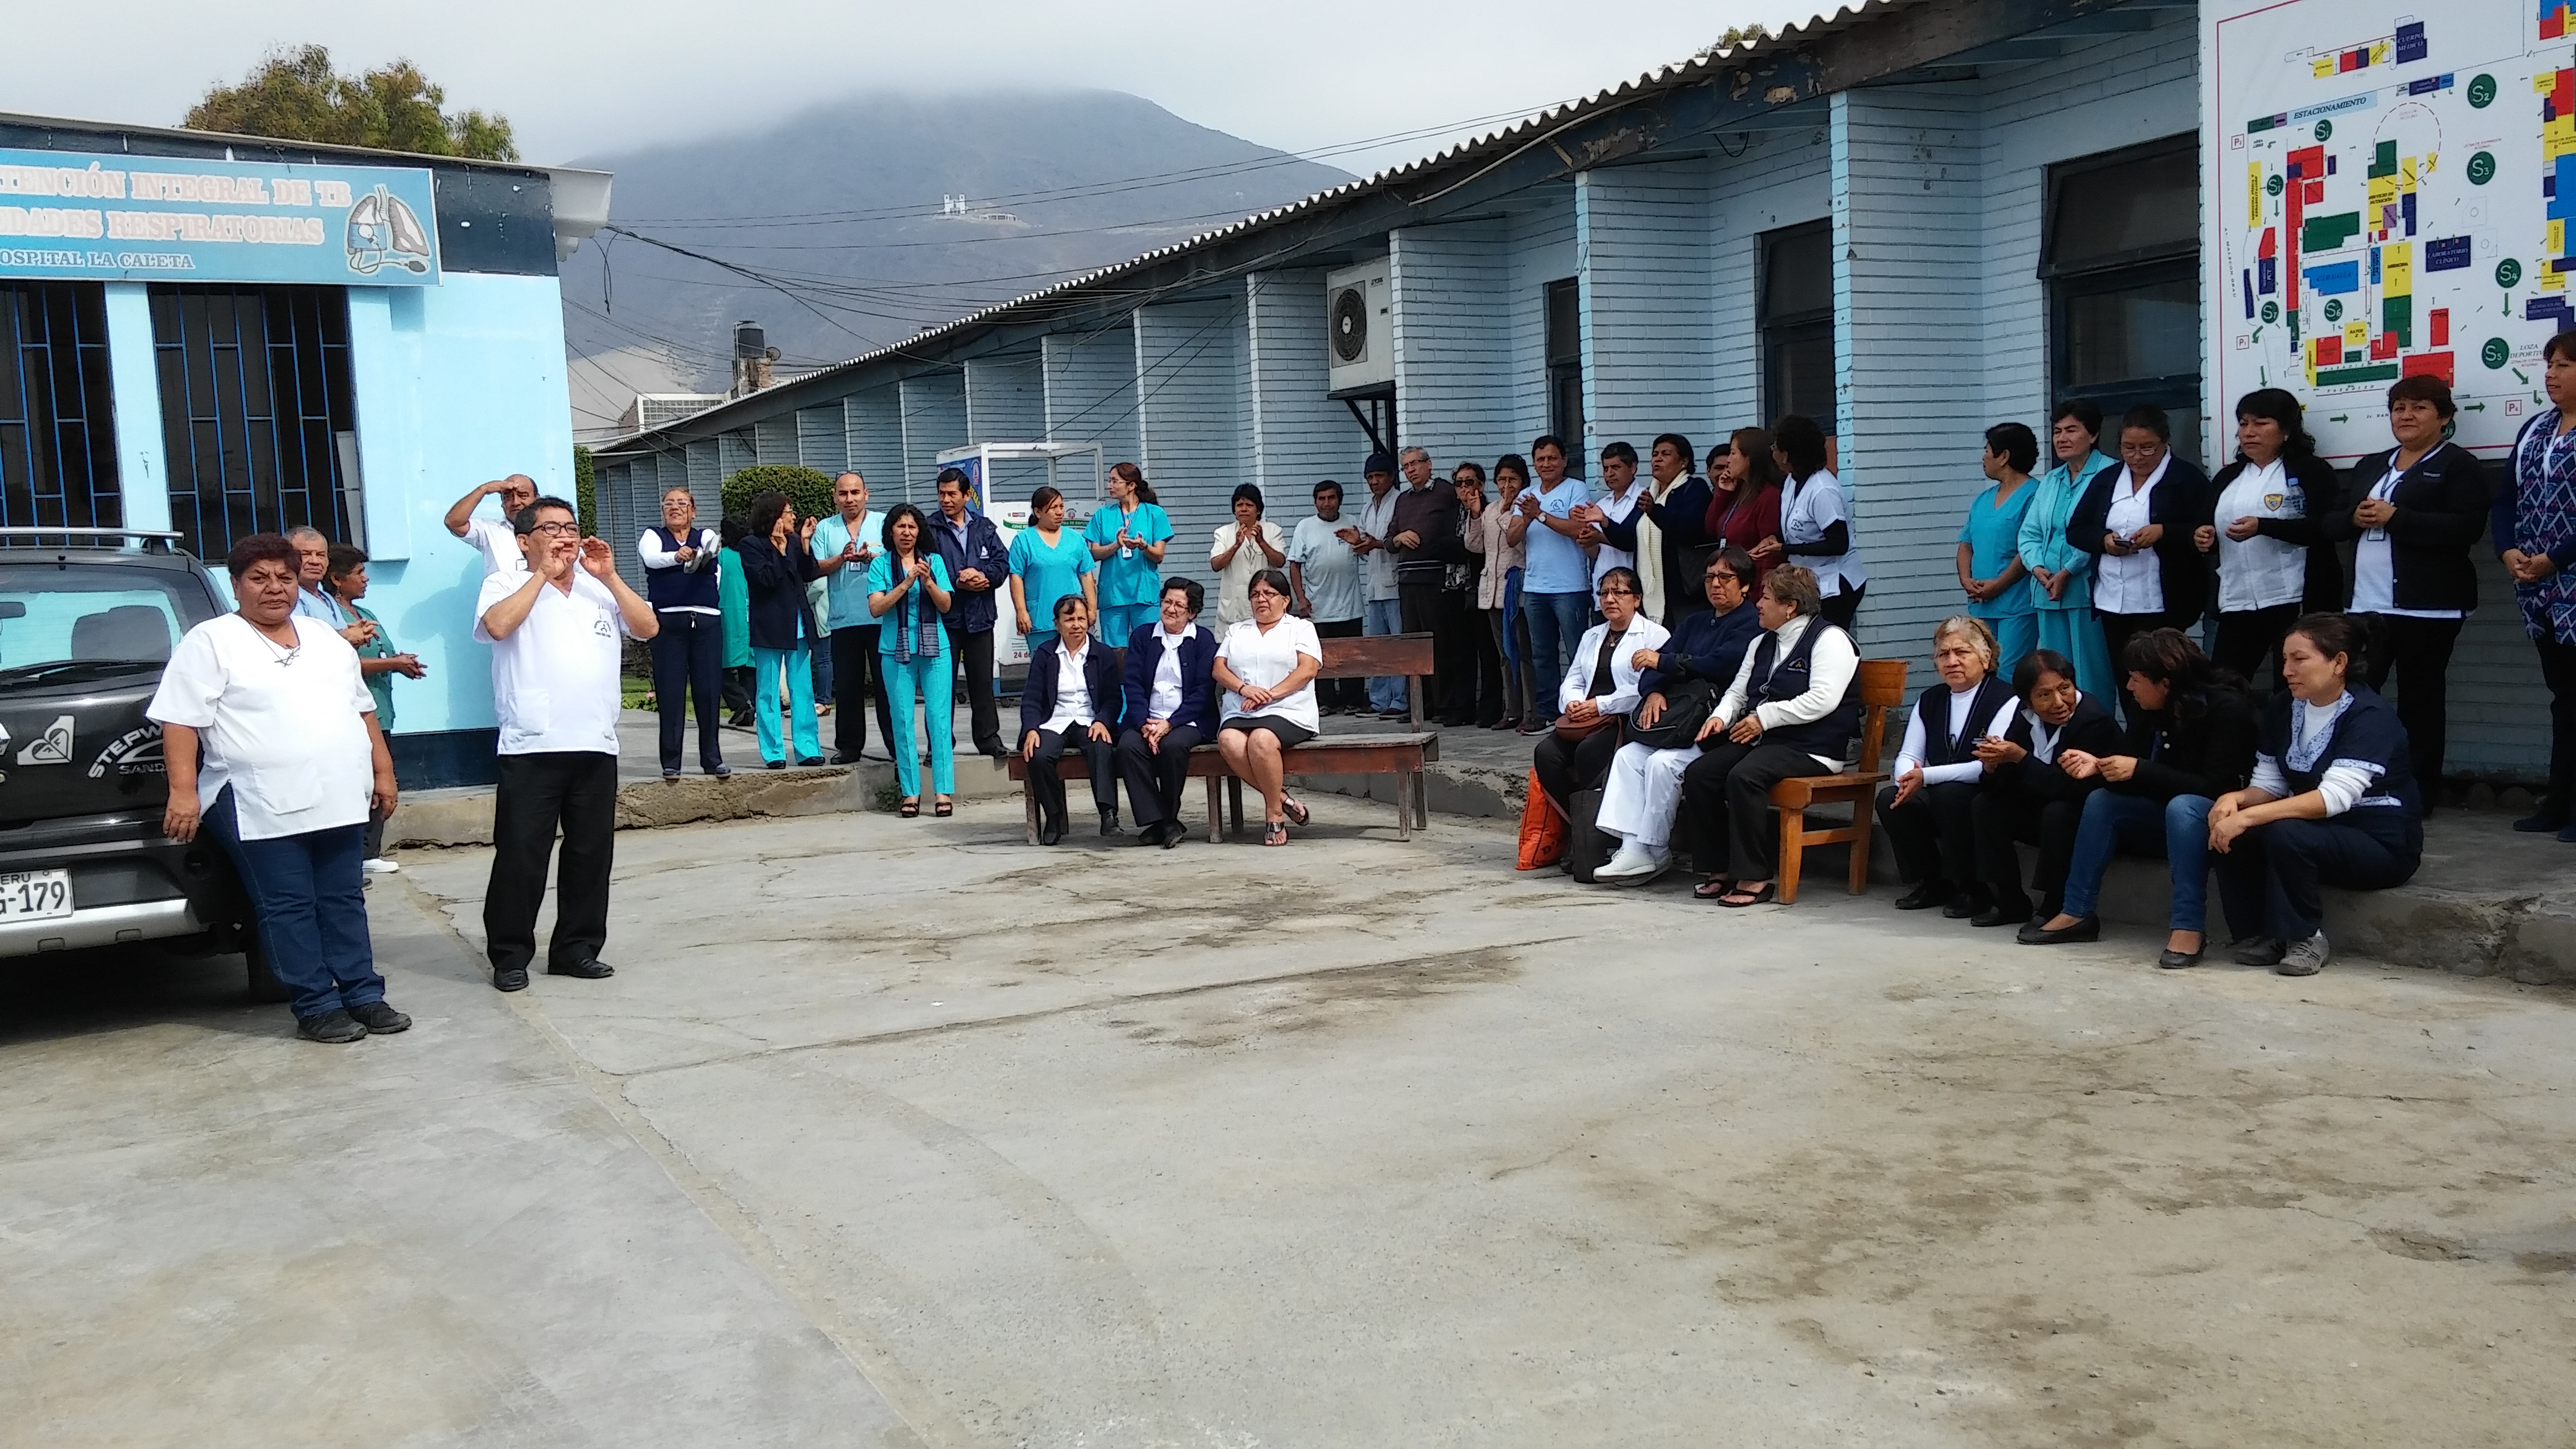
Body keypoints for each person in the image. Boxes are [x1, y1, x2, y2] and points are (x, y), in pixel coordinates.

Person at [151, 533, 406, 1043]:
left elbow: (363, 709)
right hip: (256, 799)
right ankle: (315, 1004)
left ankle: (363, 994)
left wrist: (383, 772)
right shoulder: (211, 641)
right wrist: (184, 792)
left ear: (299, 582)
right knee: (287, 904)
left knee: (343, 897)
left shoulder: (324, 638)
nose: (274, 589)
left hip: (336, 794)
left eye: (285, 578)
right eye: (259, 579)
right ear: (237, 584)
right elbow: (179, 721)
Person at [474, 497, 659, 992]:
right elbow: (497, 626)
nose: (564, 537)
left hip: (596, 743)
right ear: (523, 541)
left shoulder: (599, 590)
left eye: (571, 528)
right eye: (551, 528)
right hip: (532, 743)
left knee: (590, 853)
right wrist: (542, 575)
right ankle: (510, 955)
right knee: (521, 855)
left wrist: (611, 577)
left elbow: (647, 628)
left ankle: (576, 949)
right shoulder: (506, 583)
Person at [2023, 629, 2260, 965]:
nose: (2129, 687)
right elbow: (2133, 770)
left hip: (2215, 818)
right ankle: (2076, 911)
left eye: (2135, 679)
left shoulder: (2227, 710)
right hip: (2161, 816)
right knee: (2102, 801)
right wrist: (2100, 767)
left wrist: (2139, 770)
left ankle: (2188, 926)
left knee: (2184, 806)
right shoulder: (2146, 708)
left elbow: (2215, 788)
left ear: (2165, 683)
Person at [2211, 613, 2422, 976]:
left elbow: (2333, 799)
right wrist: (2236, 801)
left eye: (2300, 659)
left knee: (2283, 830)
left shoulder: (2369, 716)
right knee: (2231, 826)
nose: (2288, 670)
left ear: (2339, 662)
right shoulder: (2284, 707)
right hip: (2318, 832)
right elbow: (2271, 784)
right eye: (2285, 660)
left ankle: (2305, 936)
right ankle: (2260, 934)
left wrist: (2250, 815)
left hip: (2379, 841)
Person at [2323, 374, 2491, 809]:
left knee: (2421, 700)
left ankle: (2418, 793)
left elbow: (2466, 529)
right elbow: (2332, 523)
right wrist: (2354, 519)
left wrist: (2398, 518)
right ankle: (2358, 784)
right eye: (2399, 408)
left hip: (2427, 608)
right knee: (2359, 695)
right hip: (2365, 605)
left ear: (2444, 417)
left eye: (2419, 407)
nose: (2406, 416)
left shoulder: (2457, 465)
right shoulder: (2372, 464)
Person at [1676, 565, 1861, 907]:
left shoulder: (1830, 639)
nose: (1758, 604)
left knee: (1745, 776)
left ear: (1790, 606)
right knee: (1701, 774)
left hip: (1814, 749)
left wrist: (1764, 717)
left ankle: (1756, 876)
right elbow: (1738, 691)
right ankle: (1719, 868)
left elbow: (1823, 699)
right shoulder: (1763, 641)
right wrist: (1720, 718)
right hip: (1768, 742)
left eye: (1766, 597)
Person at [1593, 548, 1764, 884]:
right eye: (1710, 577)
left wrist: (1664, 665)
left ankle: (1654, 849)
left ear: (1745, 586)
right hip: (1674, 722)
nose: (1716, 585)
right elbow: (1653, 665)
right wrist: (1655, 689)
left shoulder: (1750, 625)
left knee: (1663, 765)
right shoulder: (1695, 622)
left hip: (1713, 726)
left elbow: (1719, 663)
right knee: (1628, 756)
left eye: (1726, 578)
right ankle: (1631, 846)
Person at [2198, 388, 2346, 688]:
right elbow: (2206, 524)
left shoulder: (2311, 471)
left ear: (2287, 430)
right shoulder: (2229, 477)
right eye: (2243, 424)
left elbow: (2326, 527)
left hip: (2295, 597)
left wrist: (2263, 526)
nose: (2249, 432)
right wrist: (2204, 537)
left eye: (2261, 423)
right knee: (2223, 686)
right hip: (2238, 598)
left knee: (2294, 685)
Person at [1874, 617, 2019, 918]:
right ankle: (1933, 882)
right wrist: (1905, 778)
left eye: (1962, 652)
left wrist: (1925, 776)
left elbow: (1984, 767)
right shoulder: (1930, 699)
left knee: (1950, 795)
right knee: (1891, 799)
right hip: (1939, 787)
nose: (1952, 661)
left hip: (1985, 791)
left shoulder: (2005, 698)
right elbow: (1910, 752)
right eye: (1943, 654)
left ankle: (1972, 888)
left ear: (1986, 656)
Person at [1966, 648, 2120, 928]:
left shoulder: (2093, 721)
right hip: (2039, 807)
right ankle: (2008, 899)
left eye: (2065, 688)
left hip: (2082, 817)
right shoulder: (2025, 718)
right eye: (2045, 695)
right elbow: (2007, 782)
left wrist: (2020, 758)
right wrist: (1993, 768)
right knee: (1985, 805)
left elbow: (2070, 789)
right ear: (2028, 701)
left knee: (2058, 812)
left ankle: (2056, 902)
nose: (2059, 702)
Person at [2069, 404, 2211, 705]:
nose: (2136, 457)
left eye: (2147, 449)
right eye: (2128, 448)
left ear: (2165, 443)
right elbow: (2077, 529)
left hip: (2163, 602)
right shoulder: (2107, 480)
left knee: (2162, 681)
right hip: (2113, 600)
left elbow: (2206, 532)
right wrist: (2104, 540)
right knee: (2129, 683)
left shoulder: (2186, 478)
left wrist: (2163, 532)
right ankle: (2135, 744)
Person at [2500, 329, 2576, 838]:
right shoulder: (2536, 428)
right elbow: (2505, 498)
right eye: (2548, 364)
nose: (2550, 374)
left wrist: (2556, 558)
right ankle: (2559, 803)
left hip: (2565, 574)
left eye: (2564, 365)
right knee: (2564, 696)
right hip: (2540, 587)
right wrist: (2509, 550)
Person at [1531, 567, 1671, 817]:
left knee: (1588, 754)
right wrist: (1573, 702)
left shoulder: (1655, 636)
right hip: (1584, 718)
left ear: (1637, 599)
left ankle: (1596, 825)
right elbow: (1573, 678)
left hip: (1623, 719)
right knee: (1546, 753)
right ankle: (1574, 821)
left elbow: (1644, 687)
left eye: (1619, 592)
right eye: (1604, 593)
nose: (1609, 599)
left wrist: (1599, 705)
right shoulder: (1592, 635)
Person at [321, 544, 427, 874]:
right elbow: (344, 662)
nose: (366, 579)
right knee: (362, 781)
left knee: (380, 775)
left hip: (379, 707)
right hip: (354, 711)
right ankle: (361, 852)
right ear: (338, 580)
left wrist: (401, 663)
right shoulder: (332, 619)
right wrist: (393, 664)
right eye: (359, 574)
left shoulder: (367, 615)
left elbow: (383, 654)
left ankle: (372, 848)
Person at [2017, 401, 2118, 703]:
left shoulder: (2110, 474)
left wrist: (2068, 571)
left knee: (2091, 675)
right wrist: (2036, 567)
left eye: (2071, 430)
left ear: (2094, 433)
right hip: (2047, 592)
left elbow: (2100, 530)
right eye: (2057, 431)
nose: (2062, 438)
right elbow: (2029, 533)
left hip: (2087, 592)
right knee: (2054, 675)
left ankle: (2096, 740)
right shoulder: (2051, 480)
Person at [1214, 569, 1323, 845]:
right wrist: (1243, 688)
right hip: (1243, 708)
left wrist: (1270, 695)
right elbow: (1219, 669)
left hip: (1289, 709)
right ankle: (1282, 799)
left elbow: (1308, 668)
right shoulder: (1237, 630)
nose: (1261, 599)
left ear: (1285, 600)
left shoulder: (1300, 628)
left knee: (1261, 740)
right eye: (1255, 594)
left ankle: (1274, 814)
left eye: (1269, 593)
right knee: (1227, 740)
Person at [866, 503, 957, 817]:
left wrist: (928, 581)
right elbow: (876, 608)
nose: (907, 533)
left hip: (936, 649)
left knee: (939, 719)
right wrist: (905, 583)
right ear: (891, 531)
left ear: (920, 532)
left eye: (912, 527)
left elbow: (946, 605)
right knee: (902, 720)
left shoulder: (935, 562)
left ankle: (943, 791)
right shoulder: (880, 566)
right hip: (896, 649)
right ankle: (910, 792)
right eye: (901, 527)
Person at [1116, 577, 1221, 848]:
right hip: (1147, 718)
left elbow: (1202, 693)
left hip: (1188, 720)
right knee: (1128, 746)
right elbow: (1134, 684)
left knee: (1174, 746)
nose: (1170, 609)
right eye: (1167, 602)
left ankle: (1164, 820)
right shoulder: (1143, 636)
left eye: (1179, 605)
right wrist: (1144, 725)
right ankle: (1164, 822)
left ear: (1192, 612)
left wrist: (1170, 724)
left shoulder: (1203, 640)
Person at [637, 485, 729, 781]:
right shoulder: (653, 536)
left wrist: (689, 557)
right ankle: (671, 761)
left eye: (681, 503)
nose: (674, 508)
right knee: (670, 691)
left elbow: (710, 558)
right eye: (668, 504)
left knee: (709, 691)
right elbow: (651, 559)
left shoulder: (706, 535)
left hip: (706, 621)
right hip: (668, 622)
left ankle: (712, 758)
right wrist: (677, 557)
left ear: (693, 509)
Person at [1020, 595, 1124, 844]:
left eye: (1081, 618)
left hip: (1090, 720)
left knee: (1101, 746)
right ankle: (1054, 817)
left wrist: (1103, 721)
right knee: (1038, 754)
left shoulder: (1102, 654)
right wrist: (1031, 729)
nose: (1076, 625)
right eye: (1069, 619)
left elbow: (1112, 699)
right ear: (1057, 624)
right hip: (1054, 721)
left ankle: (1108, 814)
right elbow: (1032, 697)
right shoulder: (1045, 654)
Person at [927, 466, 1014, 759]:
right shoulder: (930, 529)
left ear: (966, 495)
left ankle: (989, 740)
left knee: (981, 683)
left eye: (952, 494)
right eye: (941, 494)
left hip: (980, 617)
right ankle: (939, 745)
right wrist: (959, 581)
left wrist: (985, 577)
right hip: (945, 618)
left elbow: (1003, 563)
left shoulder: (984, 528)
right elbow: (928, 569)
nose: (946, 500)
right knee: (941, 687)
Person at [809, 471, 895, 764]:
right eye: (843, 494)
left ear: (866, 494)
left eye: (855, 492)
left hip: (881, 616)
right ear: (835, 497)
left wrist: (870, 557)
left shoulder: (884, 523)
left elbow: (897, 556)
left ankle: (897, 745)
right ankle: (848, 746)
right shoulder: (825, 528)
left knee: (888, 686)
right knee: (847, 687)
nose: (850, 499)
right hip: (844, 618)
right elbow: (817, 567)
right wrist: (842, 559)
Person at [736, 490, 824, 768]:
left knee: (803, 691)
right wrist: (780, 550)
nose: (793, 516)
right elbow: (767, 579)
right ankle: (774, 751)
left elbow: (809, 573)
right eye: (788, 512)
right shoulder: (751, 545)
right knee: (768, 691)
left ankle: (808, 747)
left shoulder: (796, 542)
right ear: (774, 516)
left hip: (797, 624)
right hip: (769, 627)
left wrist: (805, 544)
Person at [1515, 435, 1596, 726]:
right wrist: (1527, 517)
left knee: (1578, 651)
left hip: (1570, 587)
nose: (1546, 464)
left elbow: (1579, 528)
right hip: (1535, 587)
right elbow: (1512, 537)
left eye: (1552, 458)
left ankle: (1582, 711)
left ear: (1564, 460)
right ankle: (1547, 713)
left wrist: (1541, 515)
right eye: (1540, 459)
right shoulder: (1528, 494)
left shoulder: (1577, 488)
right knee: (1542, 655)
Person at [1601, 432, 1712, 627]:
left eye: (1665, 454)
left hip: (1683, 593)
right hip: (1650, 593)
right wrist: (1604, 521)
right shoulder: (1650, 494)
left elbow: (1689, 530)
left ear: (1684, 461)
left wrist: (1655, 511)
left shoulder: (1694, 488)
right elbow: (1629, 539)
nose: (1657, 459)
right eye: (1655, 454)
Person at [1956, 422, 2039, 677]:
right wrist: (1966, 580)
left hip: (2016, 604)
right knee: (1979, 672)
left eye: (1987, 450)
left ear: (2004, 457)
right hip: (1980, 603)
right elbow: (1966, 544)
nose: (1984, 456)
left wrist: (1999, 585)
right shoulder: (1983, 499)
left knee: (2008, 675)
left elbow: (2028, 548)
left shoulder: (2034, 495)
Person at [1383, 448, 1460, 713]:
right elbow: (1388, 540)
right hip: (1407, 579)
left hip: (1435, 577)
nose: (1411, 470)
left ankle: (1445, 705)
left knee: (1440, 642)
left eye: (1416, 464)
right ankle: (1420, 707)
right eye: (1406, 467)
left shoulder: (1445, 492)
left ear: (1429, 464)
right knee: (1414, 645)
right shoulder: (1403, 500)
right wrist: (1399, 538)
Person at [1772, 416, 1866, 630]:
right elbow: (1794, 525)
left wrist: (1785, 549)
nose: (1772, 451)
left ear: (1786, 455)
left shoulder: (1823, 490)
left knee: (1827, 641)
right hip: (1811, 580)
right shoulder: (1791, 481)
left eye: (1775, 447)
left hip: (1836, 583)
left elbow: (1838, 544)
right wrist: (1775, 539)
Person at [1467, 455, 1537, 731]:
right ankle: (1512, 709)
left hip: (1515, 588)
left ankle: (1530, 710)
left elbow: (1517, 543)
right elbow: (1474, 546)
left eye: (1513, 479)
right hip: (1492, 591)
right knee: (1505, 655)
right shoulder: (1490, 509)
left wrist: (1509, 511)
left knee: (1524, 653)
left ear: (1523, 482)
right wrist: (1475, 514)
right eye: (1502, 480)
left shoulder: (1524, 508)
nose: (1507, 485)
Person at [1287, 479, 1368, 714]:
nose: (1326, 503)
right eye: (1321, 499)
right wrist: (1301, 598)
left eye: (1331, 498)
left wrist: (1359, 542)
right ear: (1315, 502)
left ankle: (1353, 700)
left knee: (1352, 656)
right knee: (1319, 658)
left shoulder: (1352, 523)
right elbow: (1294, 565)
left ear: (1339, 500)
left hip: (1350, 605)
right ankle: (1326, 702)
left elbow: (1367, 553)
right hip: (1318, 607)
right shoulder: (1305, 527)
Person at [1085, 461, 1172, 652]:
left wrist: (1143, 546)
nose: (1110, 486)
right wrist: (1116, 545)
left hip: (1144, 593)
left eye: (1115, 481)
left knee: (1149, 648)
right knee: (1114, 652)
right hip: (1113, 594)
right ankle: (1118, 684)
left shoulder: (1154, 513)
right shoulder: (1102, 515)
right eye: (1109, 481)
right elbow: (1094, 552)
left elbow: (1159, 555)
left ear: (1131, 485)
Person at [1445, 462, 1505, 726]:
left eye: (1470, 482)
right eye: (1459, 483)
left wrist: (1461, 547)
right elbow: (1440, 545)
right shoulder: (1449, 513)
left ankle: (1490, 708)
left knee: (1488, 652)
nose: (1465, 488)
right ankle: (1463, 708)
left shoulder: (1490, 511)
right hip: (1453, 589)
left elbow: (1480, 549)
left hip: (1482, 588)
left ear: (1481, 485)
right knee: (1460, 652)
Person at [1009, 485, 1098, 655]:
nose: (1059, 512)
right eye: (1053, 508)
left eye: (1061, 507)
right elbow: (1016, 577)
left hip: (1073, 619)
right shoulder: (1024, 540)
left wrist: (1091, 609)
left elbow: (1086, 575)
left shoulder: (1075, 539)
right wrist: (1021, 611)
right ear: (1038, 512)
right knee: (1043, 669)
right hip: (1040, 618)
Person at [1354, 453, 1406, 717]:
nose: (1374, 482)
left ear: (1391, 477)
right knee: (1377, 646)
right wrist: (1356, 540)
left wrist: (1372, 543)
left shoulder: (1400, 501)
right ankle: (1378, 700)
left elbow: (1395, 542)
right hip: (1374, 586)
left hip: (1395, 585)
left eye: (1379, 476)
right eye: (1370, 478)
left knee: (1397, 645)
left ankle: (1400, 700)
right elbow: (1366, 546)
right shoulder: (1368, 506)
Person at [1703, 429, 1785, 594]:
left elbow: (1769, 554)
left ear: (1749, 458)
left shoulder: (1769, 496)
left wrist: (1764, 594)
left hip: (1752, 587)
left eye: (1733, 453)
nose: (1728, 461)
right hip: (1731, 585)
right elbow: (1711, 527)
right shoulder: (1738, 491)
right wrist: (1723, 493)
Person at [1211, 482, 1289, 629]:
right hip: (1233, 608)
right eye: (1240, 505)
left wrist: (1261, 542)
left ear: (1258, 510)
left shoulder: (1273, 530)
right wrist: (1236, 546)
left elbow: (1280, 562)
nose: (1244, 509)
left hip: (1264, 602)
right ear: (1234, 509)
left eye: (1249, 505)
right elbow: (1216, 565)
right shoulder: (1223, 532)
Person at [1573, 442, 1643, 594]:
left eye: (1616, 467)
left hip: (1631, 587)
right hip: (1602, 586)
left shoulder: (1644, 499)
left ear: (1633, 467)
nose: (1609, 474)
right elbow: (1594, 554)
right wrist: (1587, 538)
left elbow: (1634, 541)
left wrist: (1600, 536)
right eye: (1606, 469)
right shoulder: (1601, 504)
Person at [443, 474, 537, 576]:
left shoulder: (550, 529)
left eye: (523, 495)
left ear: (537, 499)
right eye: (507, 497)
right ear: (502, 503)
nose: (515, 502)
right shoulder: (488, 529)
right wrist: (484, 489)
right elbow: (453, 522)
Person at [716, 513, 755, 727]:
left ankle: (741, 703)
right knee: (749, 664)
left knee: (721, 665)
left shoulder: (721, 557)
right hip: (752, 613)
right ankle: (749, 705)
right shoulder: (751, 555)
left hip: (728, 614)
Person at [285, 527, 347, 630]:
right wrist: (346, 637)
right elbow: (301, 636)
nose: (315, 561)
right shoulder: (289, 596)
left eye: (321, 555)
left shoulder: (326, 598)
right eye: (305, 554)